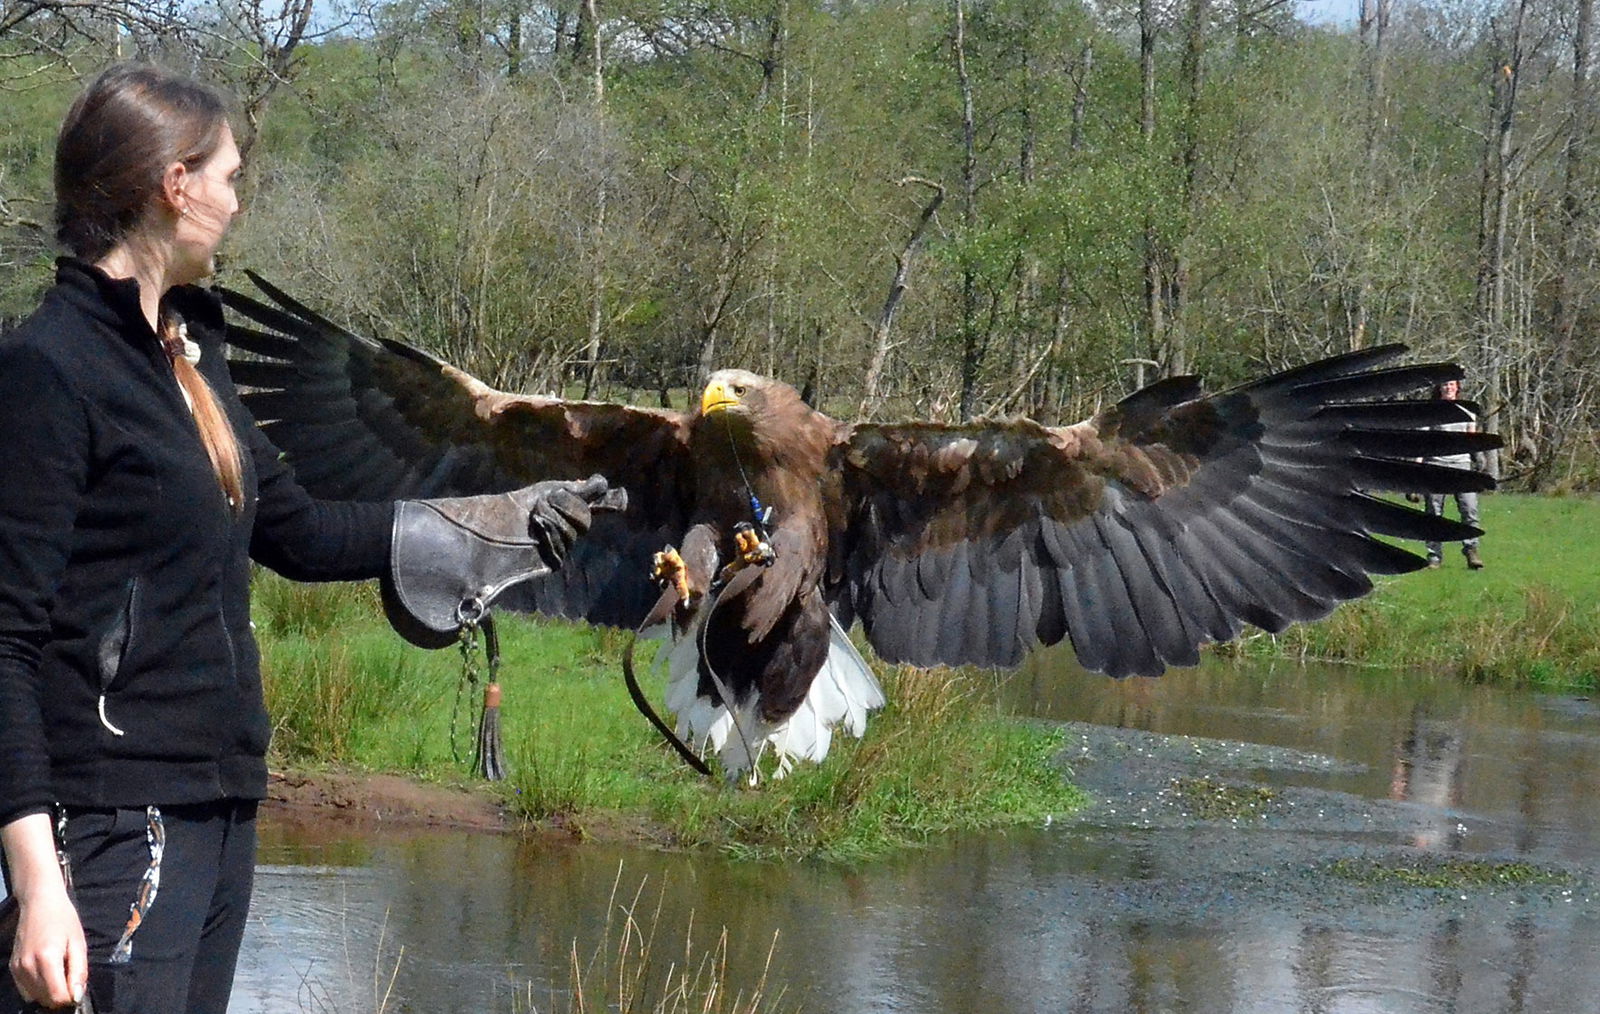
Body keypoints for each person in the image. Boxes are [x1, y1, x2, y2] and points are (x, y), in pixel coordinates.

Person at [0, 64, 604, 1013]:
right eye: (229, 178)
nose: (237, 203)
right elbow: (6, 643)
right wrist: (38, 885)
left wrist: (494, 522)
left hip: (222, 803)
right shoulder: (48, 370)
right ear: (175, 185)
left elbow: (297, 528)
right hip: (115, 820)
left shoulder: (188, 349)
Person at [1423, 378, 1484, 570]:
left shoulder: (1468, 411)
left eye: (1451, 384)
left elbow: (1471, 437)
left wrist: (1479, 456)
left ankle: (1471, 550)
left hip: (1461, 466)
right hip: (1436, 465)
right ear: (1439, 387)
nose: (1448, 387)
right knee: (1434, 513)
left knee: (1469, 509)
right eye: (1445, 384)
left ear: (1457, 387)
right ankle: (1434, 555)